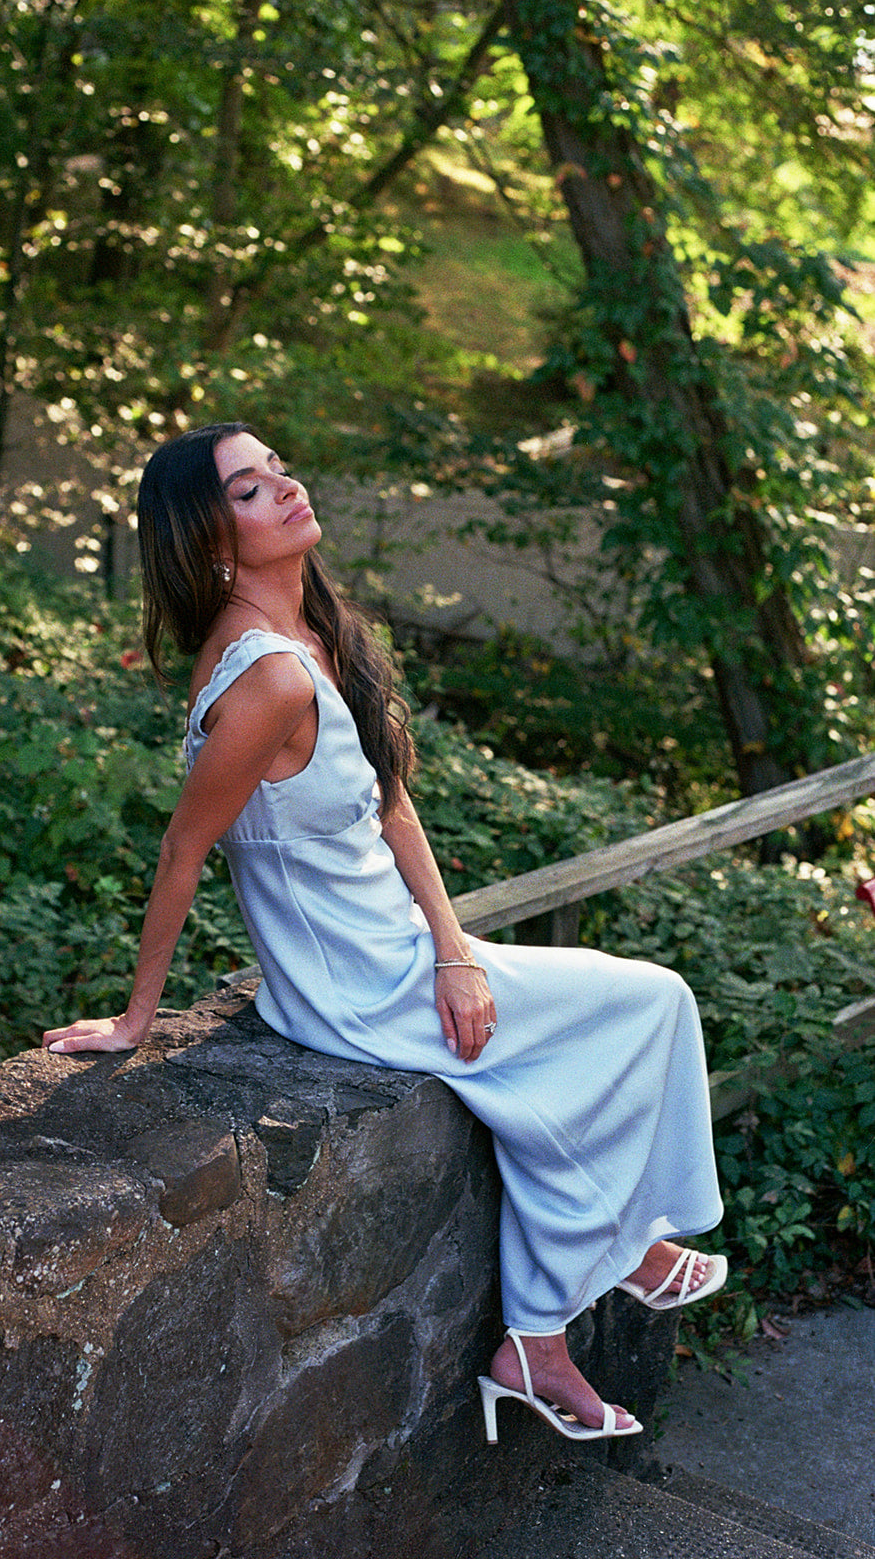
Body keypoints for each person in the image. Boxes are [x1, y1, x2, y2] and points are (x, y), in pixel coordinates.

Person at [44, 422, 726, 1443]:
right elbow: (185, 848)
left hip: (403, 951)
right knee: (651, 1001)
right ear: (210, 538)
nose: (284, 487)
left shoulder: (312, 633)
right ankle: (605, 1262)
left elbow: (393, 806)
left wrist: (457, 952)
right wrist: (137, 1021)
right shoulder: (265, 678)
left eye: (280, 468)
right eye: (247, 488)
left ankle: (546, 1327)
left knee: (580, 1039)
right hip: (354, 986)